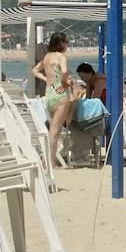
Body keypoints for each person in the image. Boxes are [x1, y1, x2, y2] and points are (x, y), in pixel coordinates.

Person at [32, 33, 78, 166]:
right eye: (66, 41)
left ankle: (48, 160)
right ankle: (50, 162)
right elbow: (64, 72)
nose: (67, 44)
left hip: (49, 93)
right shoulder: (61, 57)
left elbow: (35, 70)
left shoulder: (47, 57)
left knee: (52, 129)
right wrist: (65, 83)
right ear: (61, 43)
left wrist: (47, 79)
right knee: (55, 130)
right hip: (60, 93)